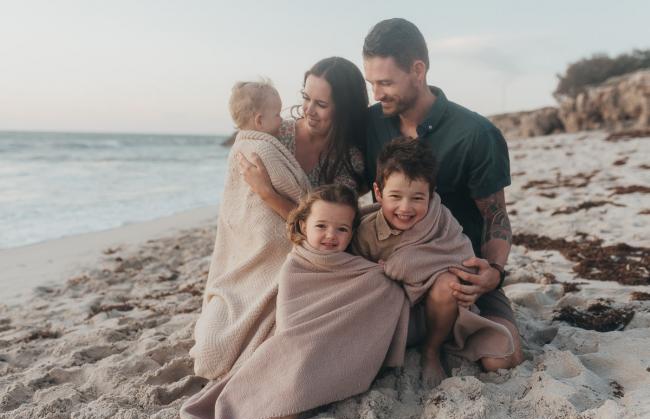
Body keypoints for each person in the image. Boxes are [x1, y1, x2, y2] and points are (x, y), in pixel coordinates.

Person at [362, 18, 524, 370]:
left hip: (458, 274)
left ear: (417, 70)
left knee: (502, 358)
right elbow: (339, 191)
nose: (376, 93)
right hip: (389, 272)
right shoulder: (370, 124)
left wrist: (493, 271)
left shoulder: (476, 134)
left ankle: (442, 335)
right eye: (371, 83)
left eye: (385, 82)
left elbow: (495, 217)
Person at [181, 185, 407, 419]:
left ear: (352, 233)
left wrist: (389, 273)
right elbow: (290, 325)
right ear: (303, 226)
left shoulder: (361, 270)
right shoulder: (295, 265)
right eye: (321, 226)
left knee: (312, 356)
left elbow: (383, 296)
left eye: (341, 229)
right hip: (295, 344)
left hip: (332, 347)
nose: (331, 235)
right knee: (284, 358)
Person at [352, 137, 514, 387]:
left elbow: (460, 259)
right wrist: (386, 276)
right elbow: (355, 276)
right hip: (393, 311)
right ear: (378, 193)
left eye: (417, 198)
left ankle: (431, 351)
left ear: (431, 194)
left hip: (439, 312)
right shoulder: (366, 233)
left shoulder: (441, 220)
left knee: (449, 284)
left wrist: (403, 265)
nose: (405, 208)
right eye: (395, 196)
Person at [188, 79, 311, 381]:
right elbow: (297, 192)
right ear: (259, 121)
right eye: (278, 114)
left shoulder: (239, 147)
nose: (282, 121)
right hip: (267, 241)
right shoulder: (263, 150)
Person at [236, 56, 369, 217]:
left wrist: (267, 194)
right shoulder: (274, 133)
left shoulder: (349, 160)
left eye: (321, 104)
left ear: (345, 111)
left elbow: (328, 223)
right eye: (306, 98)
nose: (309, 110)